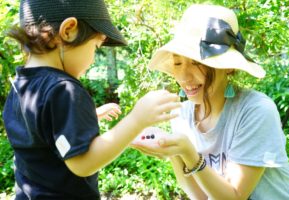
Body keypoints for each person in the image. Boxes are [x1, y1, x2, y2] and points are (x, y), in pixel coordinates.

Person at [2, 0, 181, 199]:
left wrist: (85, 117)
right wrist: (137, 120)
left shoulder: (21, 84)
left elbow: (41, 133)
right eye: (96, 47)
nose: (94, 58)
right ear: (69, 30)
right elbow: (83, 163)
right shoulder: (64, 89)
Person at [131, 4, 289, 200]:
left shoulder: (256, 111)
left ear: (228, 67)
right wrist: (175, 151)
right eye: (178, 63)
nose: (184, 76)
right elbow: (200, 196)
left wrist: (188, 151)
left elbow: (234, 196)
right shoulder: (182, 114)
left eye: (197, 62)